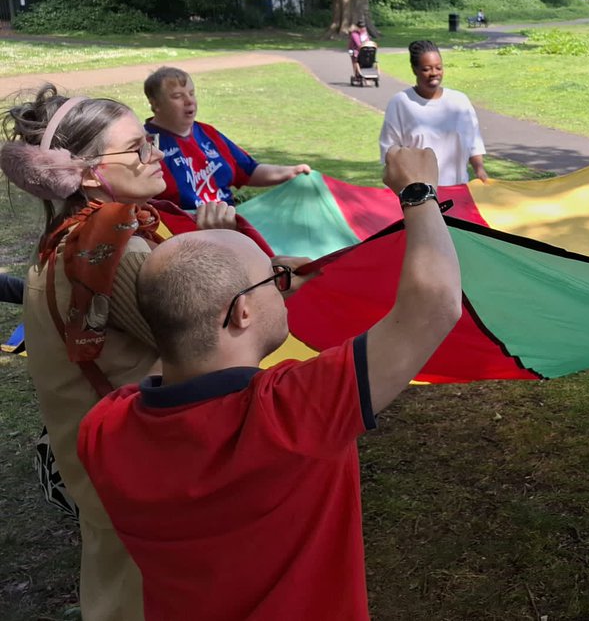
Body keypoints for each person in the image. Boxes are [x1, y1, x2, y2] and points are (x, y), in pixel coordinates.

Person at [77, 146, 462, 621]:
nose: (282, 283)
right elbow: (435, 306)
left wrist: (222, 267)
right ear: (241, 312)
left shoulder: (103, 429)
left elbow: (178, 333)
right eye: (271, 280)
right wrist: (418, 191)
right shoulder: (292, 413)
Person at [0, 85, 248, 620]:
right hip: (143, 474)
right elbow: (223, 349)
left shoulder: (70, 239)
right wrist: (231, 258)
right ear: (90, 173)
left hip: (102, 465)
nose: (155, 154)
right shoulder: (123, 254)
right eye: (137, 148)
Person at [144, 67, 311, 209]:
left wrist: (290, 172)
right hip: (182, 234)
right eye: (177, 96)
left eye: (191, 93)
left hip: (228, 224)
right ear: (155, 103)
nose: (189, 101)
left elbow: (249, 171)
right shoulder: (147, 142)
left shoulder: (208, 133)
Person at [379, 40, 488, 186]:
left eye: (438, 68)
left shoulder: (459, 101)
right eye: (426, 69)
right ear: (414, 69)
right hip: (419, 196)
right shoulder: (400, 103)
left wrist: (480, 170)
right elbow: (390, 151)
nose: (434, 73)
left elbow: (474, 141)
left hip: (458, 190)